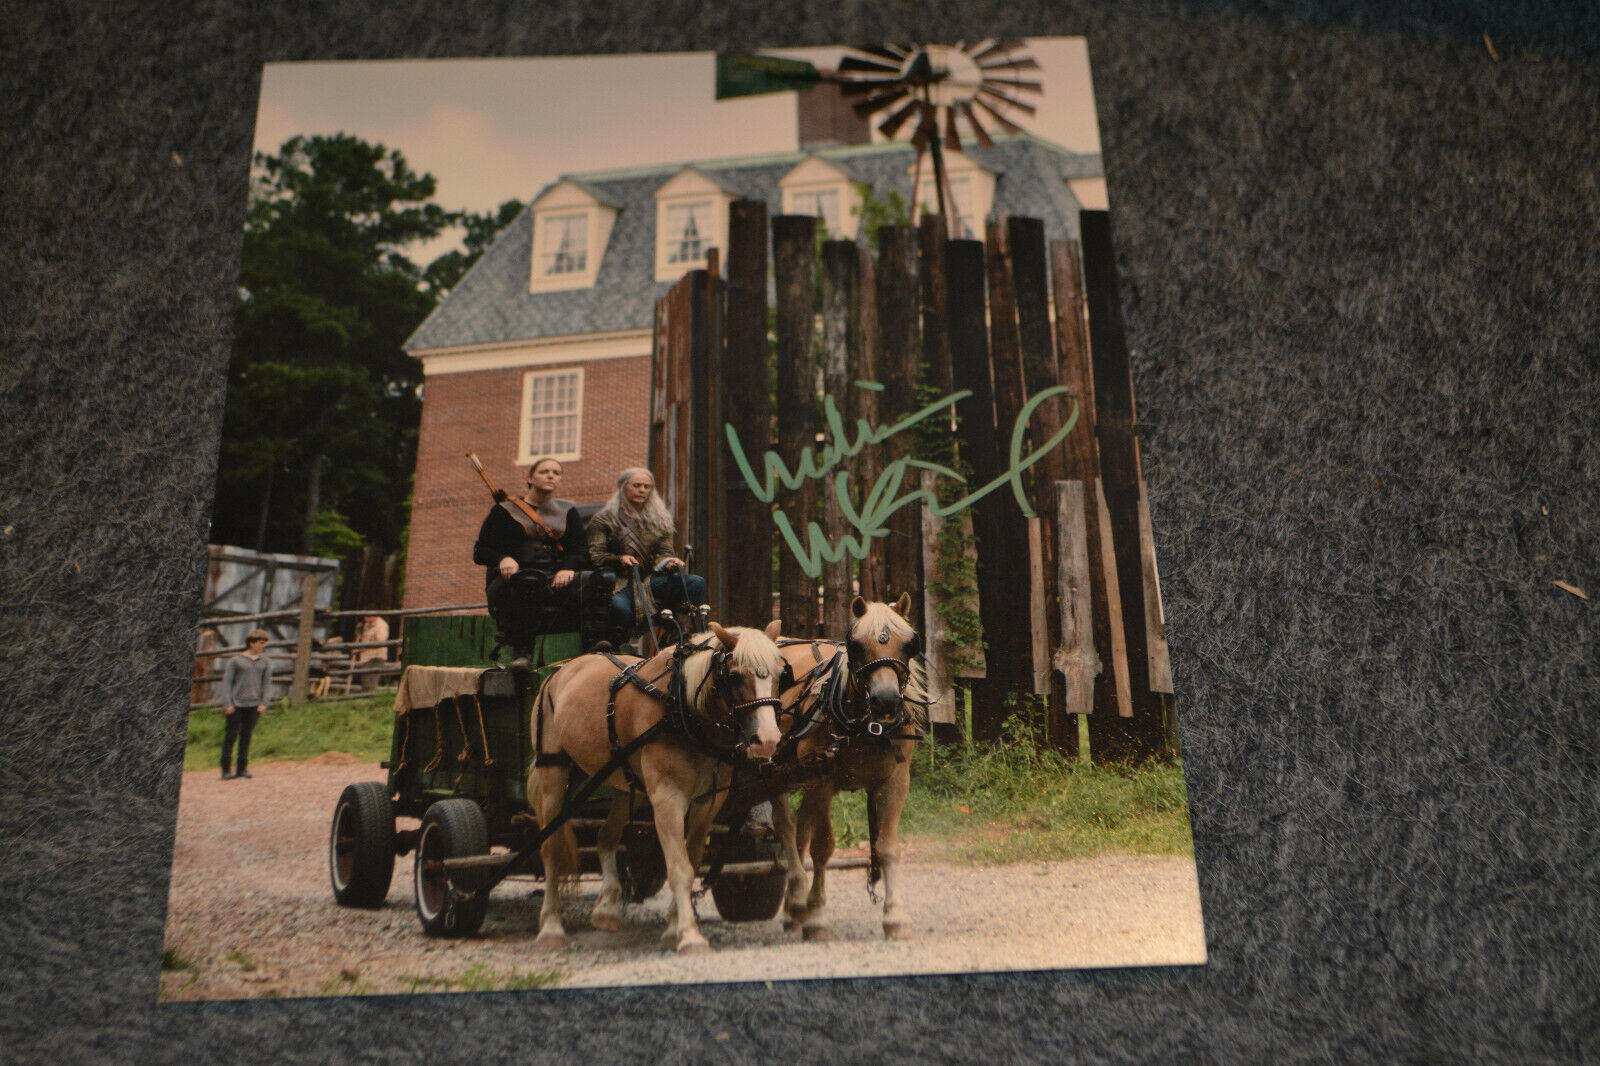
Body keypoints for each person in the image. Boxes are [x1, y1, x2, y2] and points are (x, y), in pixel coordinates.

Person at [471, 457, 609, 657]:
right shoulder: (504, 511)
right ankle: (522, 654)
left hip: (554, 577)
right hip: (515, 579)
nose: (551, 476)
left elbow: (581, 550)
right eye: (544, 472)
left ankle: (593, 649)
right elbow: (480, 551)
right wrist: (502, 559)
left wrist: (568, 568)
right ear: (530, 478)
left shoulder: (568, 512)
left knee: (602, 579)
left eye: (556, 472)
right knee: (529, 581)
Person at [588, 467, 708, 640]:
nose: (642, 490)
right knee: (621, 609)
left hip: (650, 582)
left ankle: (682, 635)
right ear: (623, 487)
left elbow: (664, 553)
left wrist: (669, 562)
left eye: (647, 486)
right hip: (619, 583)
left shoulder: (660, 520)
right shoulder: (603, 519)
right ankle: (616, 646)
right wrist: (619, 559)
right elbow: (596, 556)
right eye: (637, 485)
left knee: (696, 582)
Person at [219, 629, 273, 780]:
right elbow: (227, 684)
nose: (263, 646)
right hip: (236, 705)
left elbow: (267, 684)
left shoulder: (265, 662)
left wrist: (264, 702)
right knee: (231, 737)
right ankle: (226, 769)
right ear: (252, 643)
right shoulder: (236, 661)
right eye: (261, 643)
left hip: (254, 705)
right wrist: (227, 704)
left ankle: (242, 768)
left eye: (264, 643)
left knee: (246, 737)